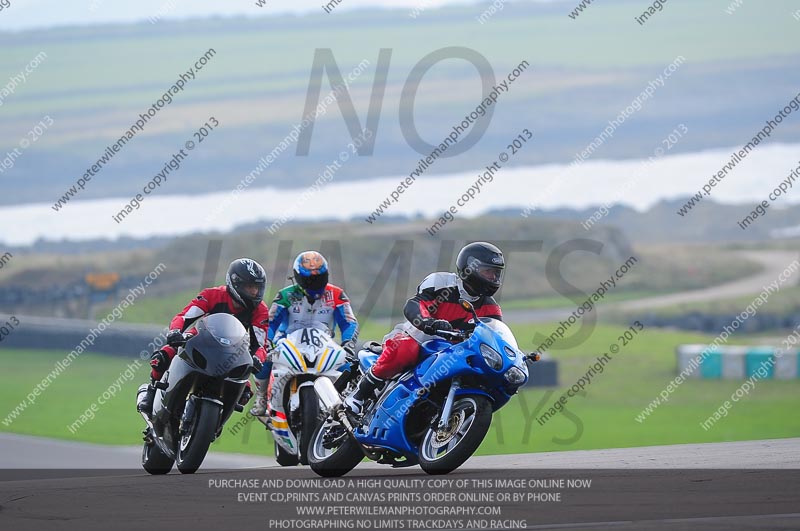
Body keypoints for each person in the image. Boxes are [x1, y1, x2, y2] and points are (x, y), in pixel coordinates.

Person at [343, 242, 505, 416]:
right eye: (488, 271)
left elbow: (494, 336)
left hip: (451, 355)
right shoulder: (442, 282)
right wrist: (429, 322)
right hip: (417, 338)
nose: (493, 278)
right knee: (406, 349)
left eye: (496, 273)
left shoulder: (491, 309)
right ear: (470, 267)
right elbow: (415, 304)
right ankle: (359, 395)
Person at [137, 258, 269, 416]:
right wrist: (175, 332)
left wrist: (258, 359)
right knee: (164, 355)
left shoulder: (260, 310)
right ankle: (151, 391)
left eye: (256, 287)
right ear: (235, 283)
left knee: (246, 391)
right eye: (249, 287)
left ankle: (219, 418)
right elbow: (184, 316)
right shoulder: (212, 294)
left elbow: (260, 344)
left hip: (234, 351)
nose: (254, 292)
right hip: (202, 340)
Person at [250, 250, 359, 416]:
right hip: (288, 344)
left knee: (351, 368)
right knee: (263, 363)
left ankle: (349, 406)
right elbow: (270, 323)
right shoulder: (284, 295)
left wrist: (348, 344)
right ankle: (262, 397)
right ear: (298, 277)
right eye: (309, 279)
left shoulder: (337, 295)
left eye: (319, 278)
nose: (314, 283)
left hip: (324, 344)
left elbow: (349, 322)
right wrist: (267, 344)